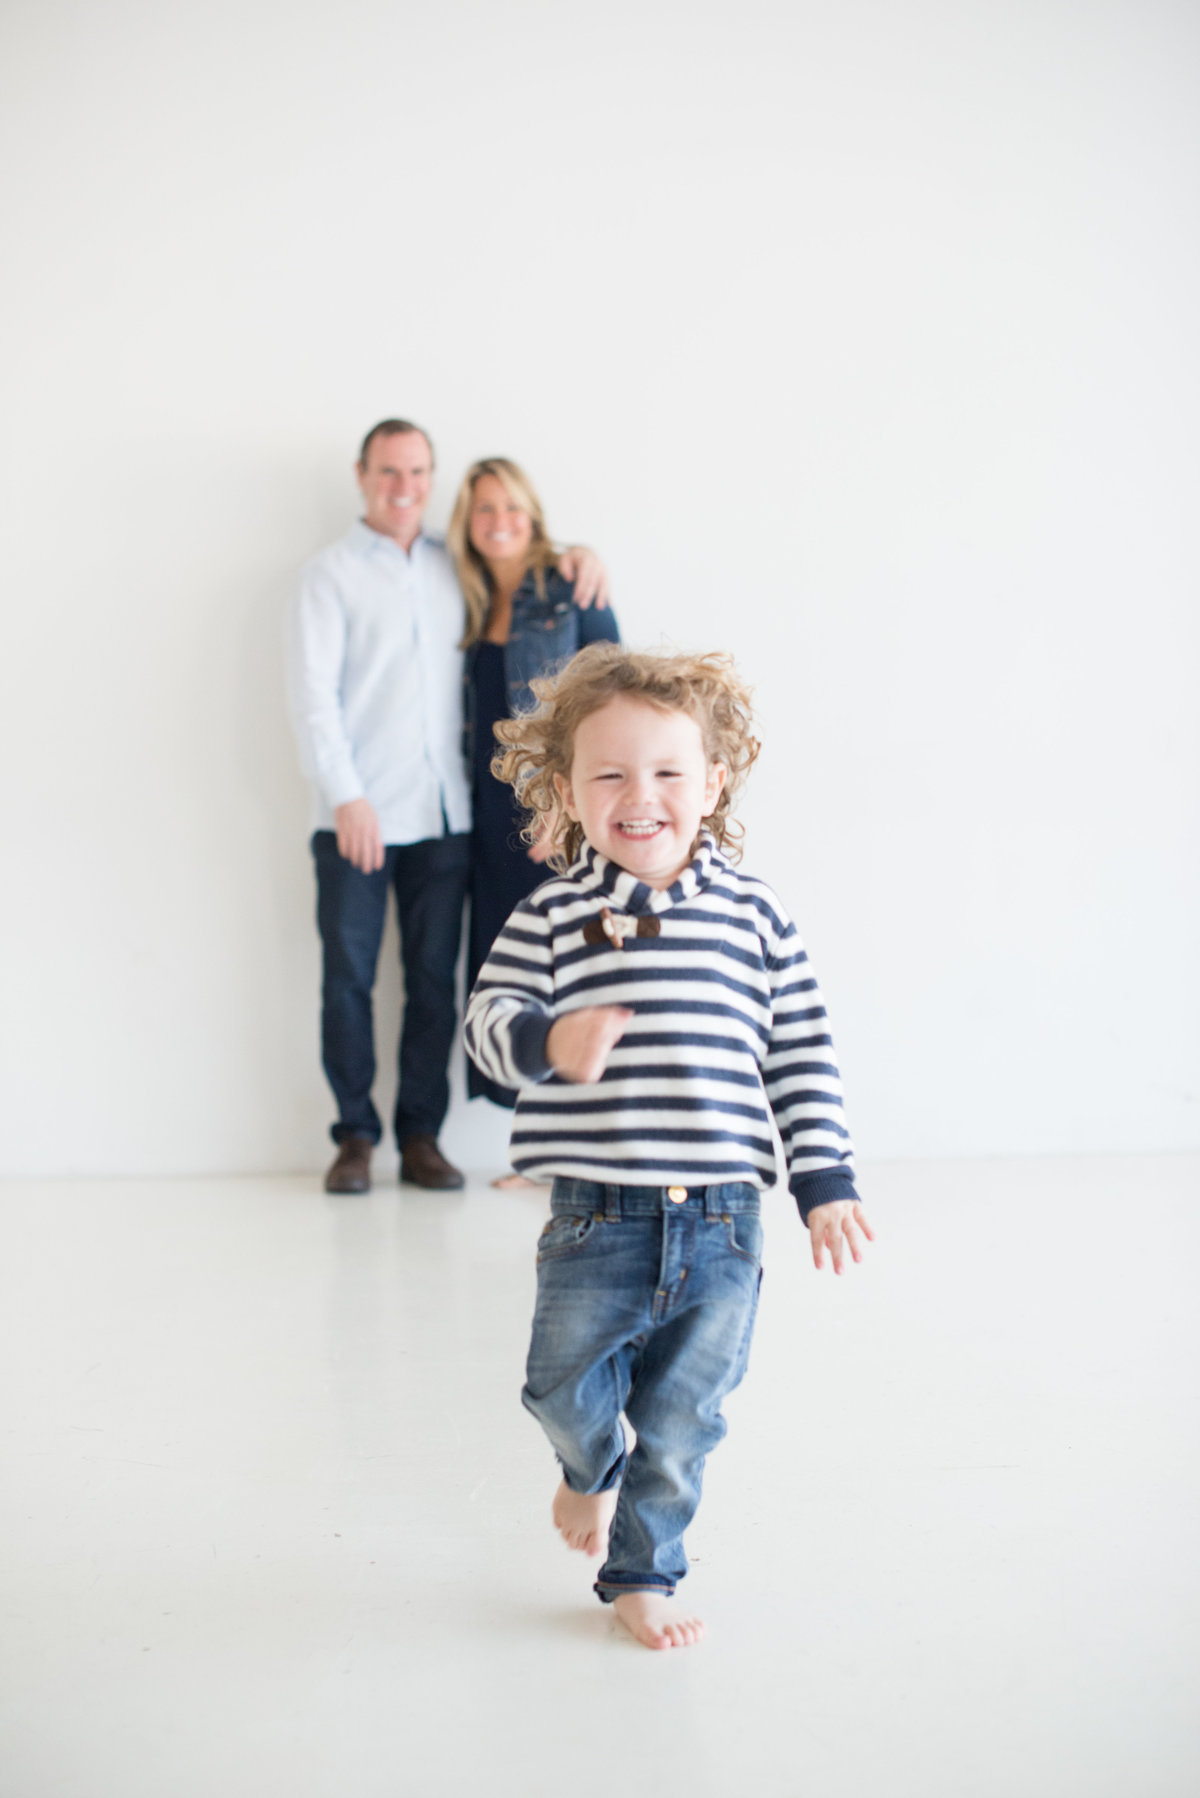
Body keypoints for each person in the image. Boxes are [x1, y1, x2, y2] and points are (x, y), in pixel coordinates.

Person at [464, 643, 873, 1650]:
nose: (638, 795)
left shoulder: (755, 914)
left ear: (713, 782)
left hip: (725, 1218)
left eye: (666, 772)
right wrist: (546, 1038)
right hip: (596, 1212)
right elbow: (485, 1021)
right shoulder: (552, 913)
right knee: (559, 1387)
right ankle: (586, 1464)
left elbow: (803, 1050)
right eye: (608, 773)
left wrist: (823, 1177)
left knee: (685, 1420)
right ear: (566, 789)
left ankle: (642, 1571)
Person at [287, 420, 608, 1196]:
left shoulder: (453, 564)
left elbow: (544, 608)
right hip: (358, 817)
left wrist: (580, 554)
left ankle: (422, 1136)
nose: (405, 486)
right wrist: (347, 797)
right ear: (363, 474)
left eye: (419, 472)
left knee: (435, 980)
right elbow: (312, 701)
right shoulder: (327, 576)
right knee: (348, 980)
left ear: (432, 481)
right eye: (389, 471)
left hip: (447, 818)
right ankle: (356, 1137)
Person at [445, 457, 620, 1154]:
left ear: (533, 516)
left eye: (512, 509)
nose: (500, 523)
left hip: (546, 815)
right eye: (485, 510)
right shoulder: (462, 594)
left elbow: (613, 695)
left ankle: (572, 1140)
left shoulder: (569, 587)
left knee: (567, 964)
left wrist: (564, 805)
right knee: (503, 965)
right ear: (468, 523)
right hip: (482, 817)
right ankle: (531, 1142)